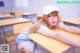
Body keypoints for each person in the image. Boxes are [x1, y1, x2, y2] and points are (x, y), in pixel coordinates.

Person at [16, 5, 80, 53]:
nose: (53, 19)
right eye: (49, 16)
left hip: (34, 39)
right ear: (45, 17)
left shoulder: (54, 23)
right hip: (24, 40)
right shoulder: (41, 25)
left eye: (55, 15)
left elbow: (68, 28)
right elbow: (57, 35)